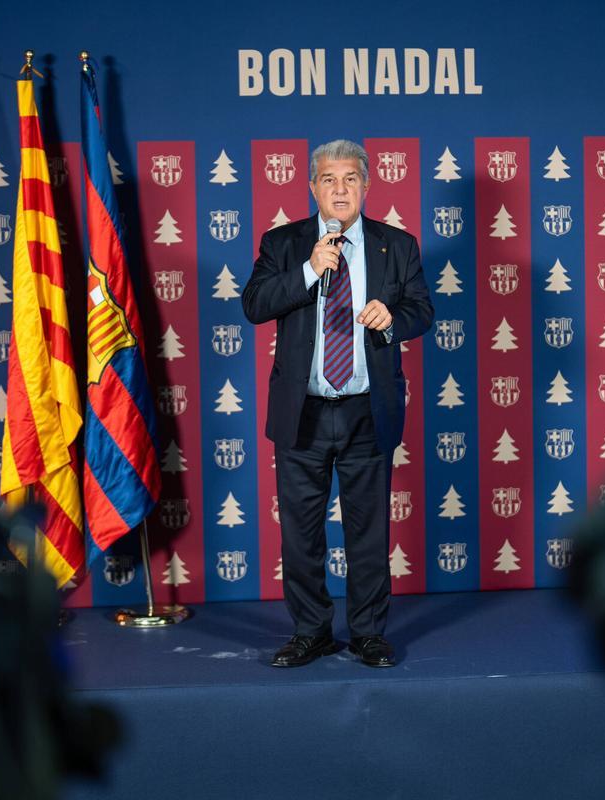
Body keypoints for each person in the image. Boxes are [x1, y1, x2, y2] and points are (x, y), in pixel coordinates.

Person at [242, 139, 434, 668]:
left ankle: (369, 633)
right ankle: (311, 632)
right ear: (312, 187)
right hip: (302, 411)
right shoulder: (283, 243)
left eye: (350, 178)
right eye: (329, 179)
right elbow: (254, 305)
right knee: (300, 534)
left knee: (367, 531)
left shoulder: (397, 246)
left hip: (365, 410)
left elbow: (422, 310)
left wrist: (392, 320)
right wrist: (307, 271)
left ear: (367, 185)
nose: (340, 189)